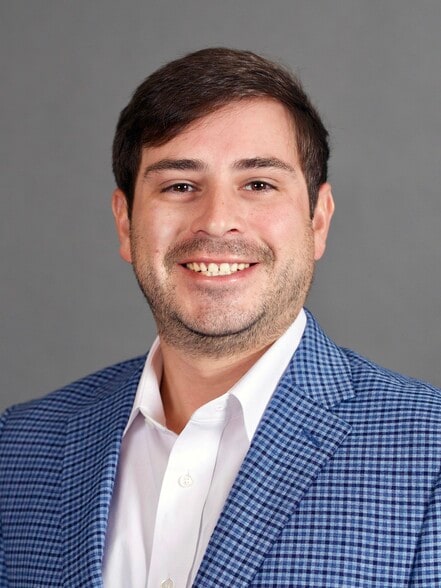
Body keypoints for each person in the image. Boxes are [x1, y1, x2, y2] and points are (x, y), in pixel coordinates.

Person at [1, 48, 440, 588]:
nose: (216, 221)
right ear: (125, 223)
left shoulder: (429, 454)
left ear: (318, 221)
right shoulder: (20, 447)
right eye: (179, 186)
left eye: (258, 184)